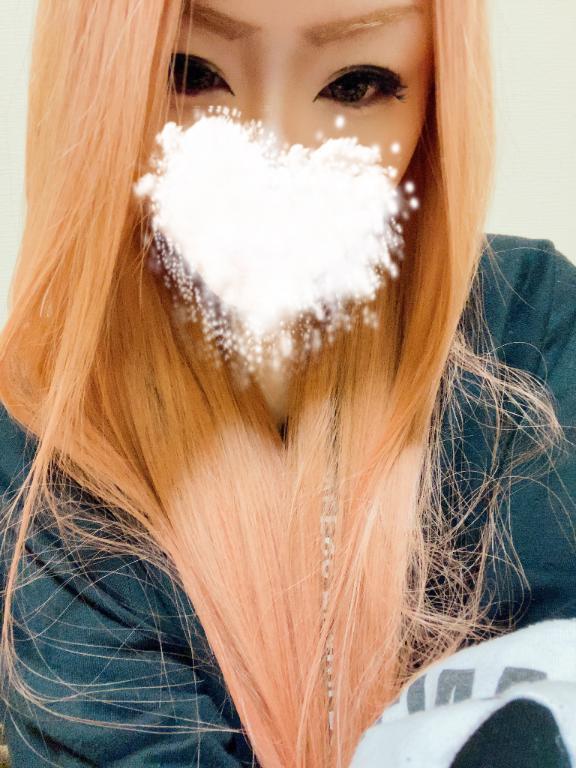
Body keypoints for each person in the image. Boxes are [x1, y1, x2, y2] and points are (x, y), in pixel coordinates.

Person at [0, 1, 574, 766]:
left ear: (437, 103)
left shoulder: (529, 334)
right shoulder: (44, 445)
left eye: (357, 85)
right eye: (190, 74)